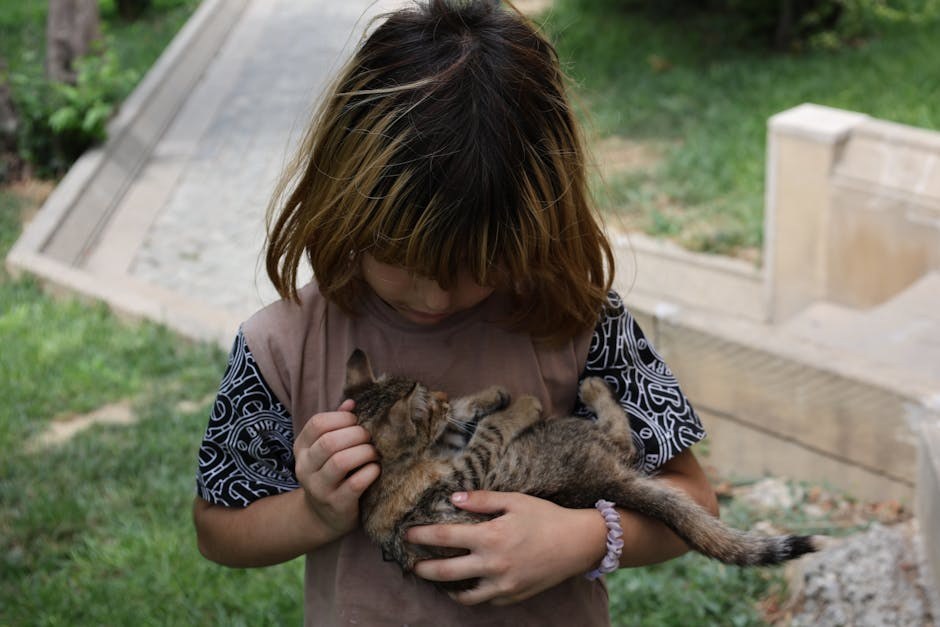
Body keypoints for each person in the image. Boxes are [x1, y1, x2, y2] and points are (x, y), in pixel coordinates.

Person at [192, 0, 718, 624]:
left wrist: (581, 539)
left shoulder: (577, 318)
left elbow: (695, 504)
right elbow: (218, 527)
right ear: (343, 201)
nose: (437, 297)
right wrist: (314, 512)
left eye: (478, 263)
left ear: (540, 218)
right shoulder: (281, 343)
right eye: (403, 259)